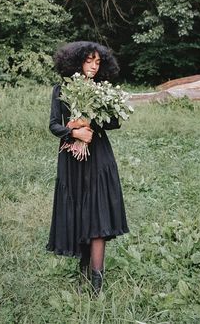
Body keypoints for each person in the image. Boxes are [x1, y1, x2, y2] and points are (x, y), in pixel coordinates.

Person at [46, 41, 129, 295]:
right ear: (76, 61)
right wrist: (75, 132)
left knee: (97, 211)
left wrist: (95, 118)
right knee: (79, 208)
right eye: (89, 60)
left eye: (97, 62)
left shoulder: (100, 89)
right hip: (71, 159)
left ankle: (97, 283)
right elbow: (53, 125)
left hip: (98, 158)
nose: (93, 66)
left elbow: (115, 123)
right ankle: (83, 266)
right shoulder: (61, 89)